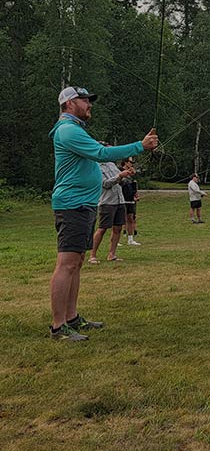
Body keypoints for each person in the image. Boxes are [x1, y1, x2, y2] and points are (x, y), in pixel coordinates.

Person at [49, 86, 158, 341]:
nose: (89, 104)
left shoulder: (76, 131)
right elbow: (102, 154)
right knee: (66, 264)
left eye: (89, 100)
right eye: (83, 100)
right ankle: (57, 326)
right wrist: (139, 146)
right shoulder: (68, 131)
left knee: (76, 263)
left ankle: (72, 317)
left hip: (83, 205)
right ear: (68, 103)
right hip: (72, 205)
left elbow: (99, 150)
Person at [89, 158, 132, 264]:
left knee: (118, 228)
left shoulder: (112, 165)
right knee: (102, 228)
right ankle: (92, 255)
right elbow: (105, 184)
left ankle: (112, 254)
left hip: (119, 200)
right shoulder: (95, 167)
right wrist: (120, 176)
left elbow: (123, 182)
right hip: (106, 202)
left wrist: (128, 174)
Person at [120, 158, 141, 245]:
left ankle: (130, 239)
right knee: (121, 220)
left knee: (130, 219)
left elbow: (133, 185)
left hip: (130, 199)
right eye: (130, 162)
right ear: (125, 162)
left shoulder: (131, 174)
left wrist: (135, 194)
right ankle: (118, 240)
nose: (132, 164)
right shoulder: (120, 172)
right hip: (122, 199)